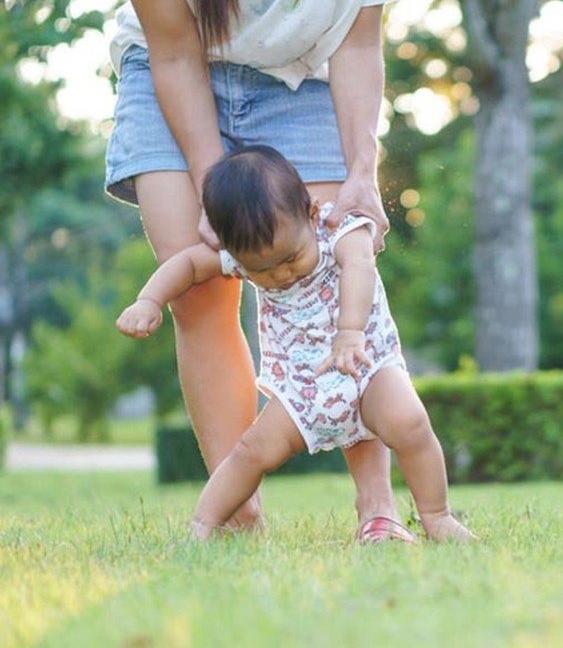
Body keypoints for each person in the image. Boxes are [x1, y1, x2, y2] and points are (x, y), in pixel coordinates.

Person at [105, 0, 426, 541]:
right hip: (175, 68)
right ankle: (236, 511)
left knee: (329, 283)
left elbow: (357, 43)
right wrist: (213, 189)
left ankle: (377, 508)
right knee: (198, 289)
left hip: (302, 77)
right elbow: (175, 51)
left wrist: (361, 173)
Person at [117, 145, 475, 542]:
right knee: (250, 451)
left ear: (311, 212)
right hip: (299, 390)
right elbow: (187, 264)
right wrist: (149, 300)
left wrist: (349, 332)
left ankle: (436, 516)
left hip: (365, 368)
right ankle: (202, 527)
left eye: (291, 258)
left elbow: (360, 266)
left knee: (410, 423)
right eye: (261, 270)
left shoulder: (338, 231)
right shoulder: (248, 255)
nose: (281, 275)